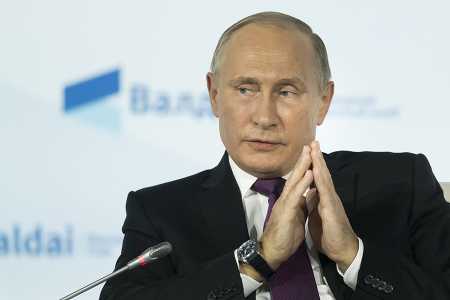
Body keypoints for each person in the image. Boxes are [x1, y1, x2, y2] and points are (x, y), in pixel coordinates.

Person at [99, 12, 450, 300]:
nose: (264, 117)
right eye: (245, 89)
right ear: (215, 95)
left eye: (286, 91)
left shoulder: (402, 183)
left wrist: (353, 254)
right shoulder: (162, 212)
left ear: (323, 101)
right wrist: (258, 261)